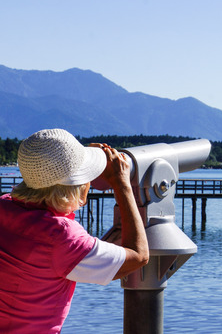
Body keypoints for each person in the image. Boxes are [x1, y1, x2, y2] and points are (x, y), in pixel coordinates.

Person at [0, 129, 150, 333]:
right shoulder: (61, 237)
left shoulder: (4, 205)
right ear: (77, 185)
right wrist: (121, 184)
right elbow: (138, 256)